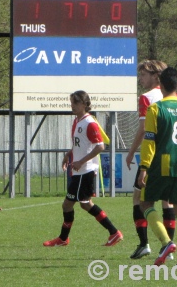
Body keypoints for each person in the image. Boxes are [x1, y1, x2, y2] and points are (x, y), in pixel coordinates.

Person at [43, 90, 123, 247]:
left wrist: (81, 161)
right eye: (71, 102)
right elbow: (80, 145)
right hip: (80, 170)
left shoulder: (90, 123)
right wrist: (69, 155)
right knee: (85, 204)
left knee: (69, 204)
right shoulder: (77, 121)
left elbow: (100, 146)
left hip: (85, 170)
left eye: (75, 102)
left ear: (84, 104)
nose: (72, 106)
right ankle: (114, 233)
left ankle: (63, 238)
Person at [137, 67, 177, 267]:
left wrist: (144, 167)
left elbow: (149, 141)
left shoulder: (156, 109)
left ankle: (166, 242)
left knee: (146, 204)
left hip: (161, 163)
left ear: (160, 86)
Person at [125, 60, 177, 260]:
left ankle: (146, 243)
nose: (140, 79)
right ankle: (169, 250)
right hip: (172, 155)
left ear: (156, 76)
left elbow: (143, 129)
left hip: (152, 156)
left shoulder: (146, 97)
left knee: (139, 199)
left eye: (143, 75)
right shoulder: (175, 96)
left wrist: (131, 153)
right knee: (168, 201)